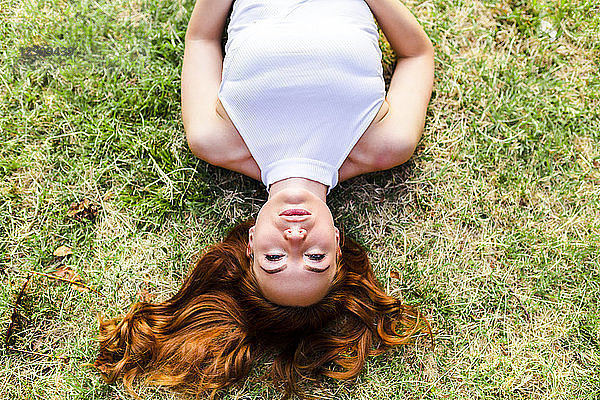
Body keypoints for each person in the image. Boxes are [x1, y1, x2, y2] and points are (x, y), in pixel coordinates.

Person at [96, 0, 434, 397]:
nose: (295, 240)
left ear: (252, 243)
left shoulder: (215, 140)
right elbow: (416, 55)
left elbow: (202, 38)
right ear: (338, 246)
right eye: (315, 259)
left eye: (274, 260)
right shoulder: (385, 146)